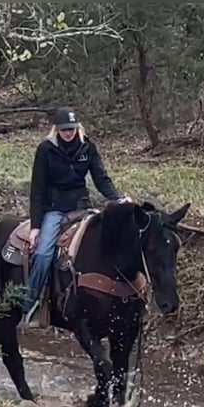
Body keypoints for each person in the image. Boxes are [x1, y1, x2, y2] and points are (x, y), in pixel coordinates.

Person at [21, 106, 131, 328]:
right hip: (55, 209)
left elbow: (101, 178)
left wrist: (118, 199)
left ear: (77, 127)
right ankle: (29, 304)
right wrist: (36, 226)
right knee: (42, 254)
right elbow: (38, 190)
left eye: (71, 128)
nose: (68, 133)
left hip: (82, 205)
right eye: (64, 130)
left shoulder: (87, 147)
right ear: (57, 130)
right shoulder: (45, 150)